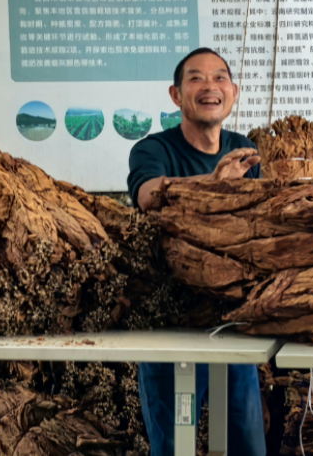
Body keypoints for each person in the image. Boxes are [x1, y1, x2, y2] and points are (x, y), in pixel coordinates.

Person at [127, 47, 266, 456]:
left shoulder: (243, 149)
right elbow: (148, 196)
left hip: (232, 320)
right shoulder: (153, 150)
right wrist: (214, 183)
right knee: (175, 445)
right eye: (196, 78)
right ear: (176, 95)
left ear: (234, 92)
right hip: (171, 323)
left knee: (246, 442)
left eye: (220, 77)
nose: (210, 86)